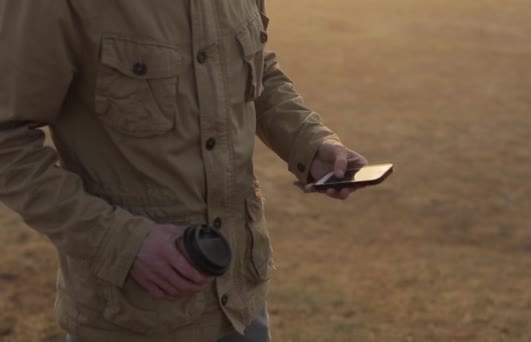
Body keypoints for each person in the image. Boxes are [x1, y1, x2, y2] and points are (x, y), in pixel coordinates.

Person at [0, 1, 368, 341]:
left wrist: (309, 144)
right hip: (129, 318)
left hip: (242, 304)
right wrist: (120, 243)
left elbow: (258, 71)